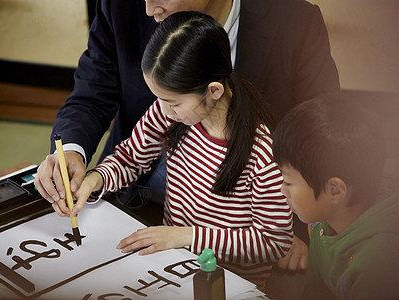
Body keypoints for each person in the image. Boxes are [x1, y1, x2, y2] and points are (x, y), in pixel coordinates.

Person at [34, 0, 340, 272]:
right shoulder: (171, 113)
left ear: (212, 91)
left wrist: (308, 223)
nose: (148, 9)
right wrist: (95, 178)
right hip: (171, 248)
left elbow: (272, 238)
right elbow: (129, 153)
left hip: (228, 265)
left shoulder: (263, 154)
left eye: (174, 102)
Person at [272, 93, 399, 299]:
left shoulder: (379, 265)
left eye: (288, 182)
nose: (282, 190)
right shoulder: (319, 222)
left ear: (335, 190)